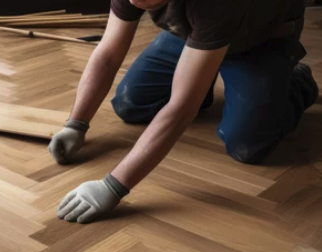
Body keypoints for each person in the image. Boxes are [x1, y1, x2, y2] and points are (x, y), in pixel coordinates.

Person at [50, 0, 319, 224]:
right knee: (130, 104)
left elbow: (181, 109)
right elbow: (107, 55)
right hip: (199, 27)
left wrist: (113, 186)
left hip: (261, 38)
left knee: (247, 144)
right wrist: (76, 124)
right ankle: (201, 67)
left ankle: (297, 84)